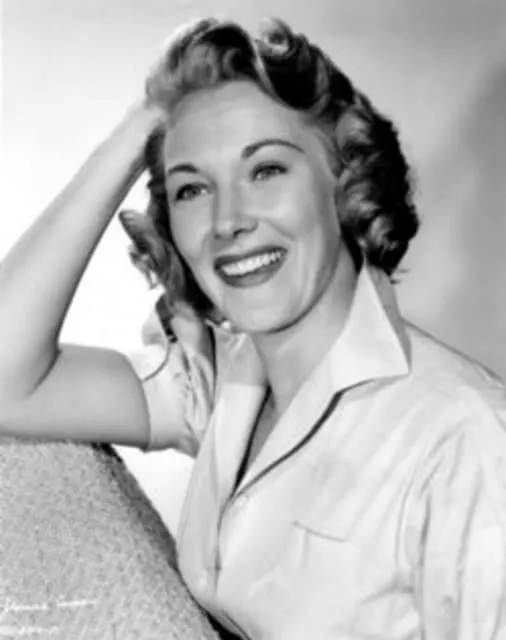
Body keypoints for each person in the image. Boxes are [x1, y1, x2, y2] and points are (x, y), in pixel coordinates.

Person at [0, 16, 505, 639]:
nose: (228, 220)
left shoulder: (464, 440)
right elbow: (6, 381)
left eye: (266, 170)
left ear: (346, 182)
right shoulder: (216, 383)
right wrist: (144, 121)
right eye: (191, 189)